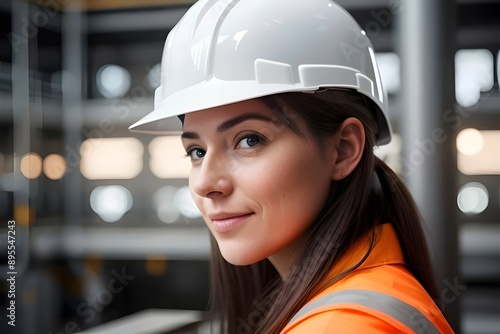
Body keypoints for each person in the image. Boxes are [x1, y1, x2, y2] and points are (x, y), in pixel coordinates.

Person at [130, 0, 454, 333]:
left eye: (250, 140)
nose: (205, 184)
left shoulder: (343, 325)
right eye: (196, 151)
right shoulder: (361, 295)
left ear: (343, 149)